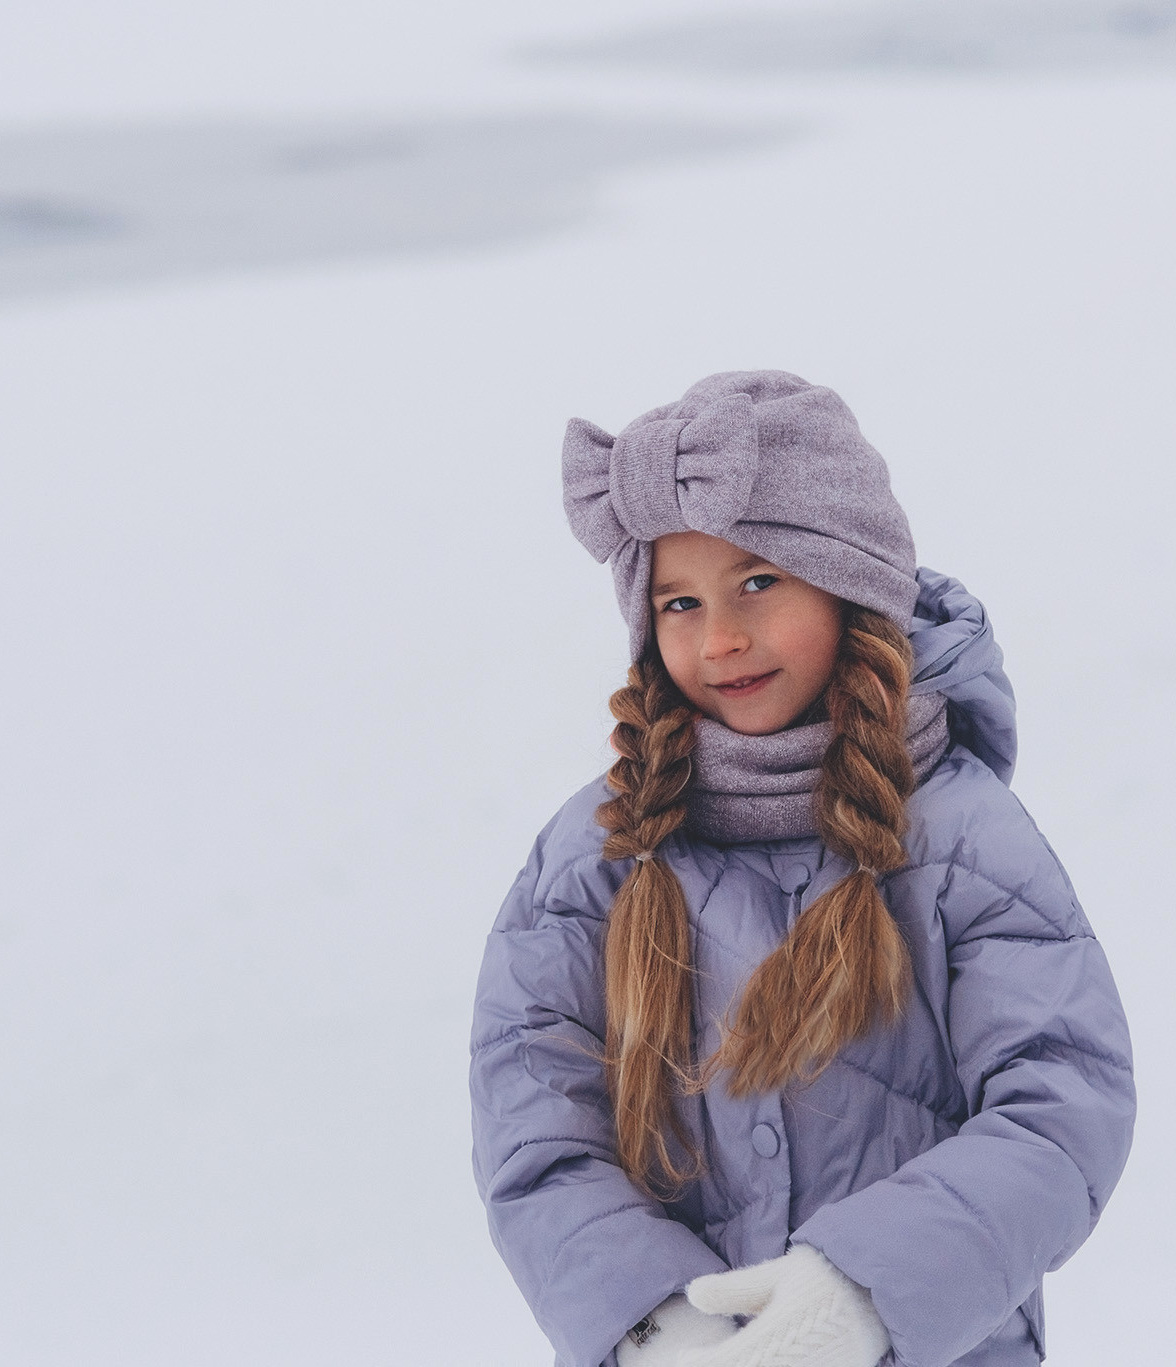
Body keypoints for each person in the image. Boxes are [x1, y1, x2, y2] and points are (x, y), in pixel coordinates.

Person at [468, 371, 1136, 1367]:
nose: (720, 637)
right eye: (678, 602)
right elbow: (532, 1119)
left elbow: (1060, 1103)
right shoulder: (596, 854)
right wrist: (652, 1323)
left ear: (847, 577)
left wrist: (863, 1294)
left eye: (757, 581)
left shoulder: (961, 838)